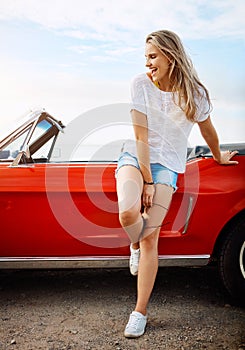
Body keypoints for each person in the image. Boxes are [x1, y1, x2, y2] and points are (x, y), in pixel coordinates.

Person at [115, 29, 238, 339]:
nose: (148, 63)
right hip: (136, 158)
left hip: (168, 166)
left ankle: (139, 311)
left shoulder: (194, 92)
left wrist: (217, 156)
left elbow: (207, 129)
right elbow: (141, 137)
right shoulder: (139, 85)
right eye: (146, 58)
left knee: (150, 236)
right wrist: (146, 181)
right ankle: (132, 244)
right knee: (128, 215)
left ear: (170, 56)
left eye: (153, 57)